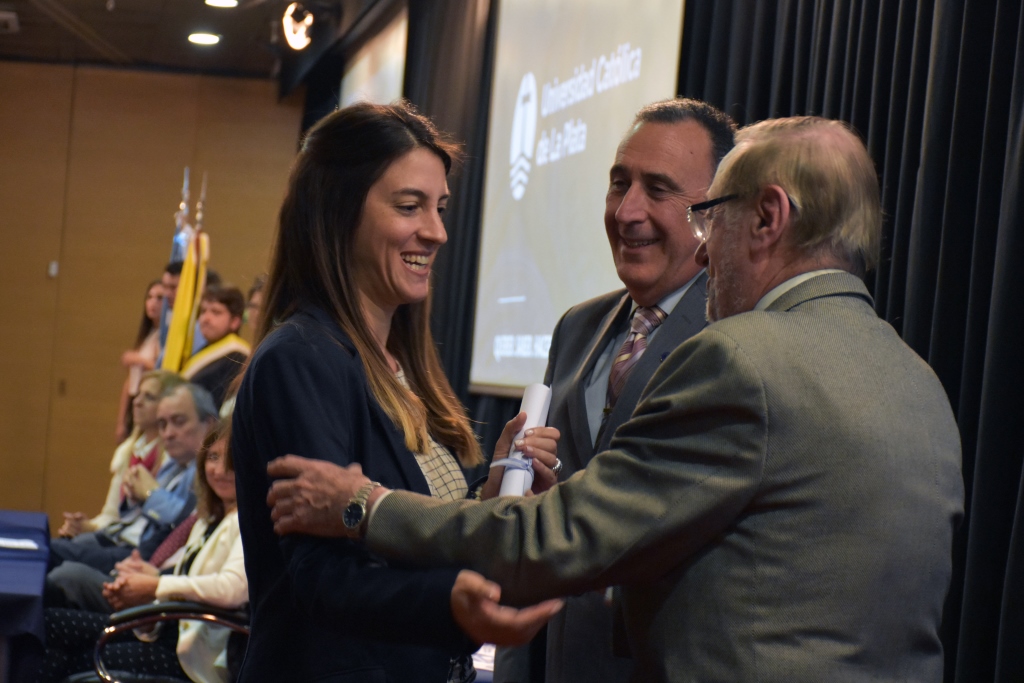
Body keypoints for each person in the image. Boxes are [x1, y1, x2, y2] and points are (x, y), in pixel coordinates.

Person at [267, 116, 965, 682]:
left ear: (767, 217)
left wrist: (364, 505)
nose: (703, 248)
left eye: (707, 215)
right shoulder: (920, 382)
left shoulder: (742, 358)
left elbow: (567, 534)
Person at [230, 100, 561, 683]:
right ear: (337, 213)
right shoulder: (302, 357)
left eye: (439, 208)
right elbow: (322, 578)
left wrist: (490, 493)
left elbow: (405, 535)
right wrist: (452, 604)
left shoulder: (401, 364)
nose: (437, 232)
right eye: (410, 207)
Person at [494, 98, 736, 683]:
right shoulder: (577, 327)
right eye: (619, 184)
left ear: (714, 212)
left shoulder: (736, 342)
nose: (627, 211)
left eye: (658, 189)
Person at [37, 424, 248, 683]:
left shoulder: (247, 522)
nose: (220, 470)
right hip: (164, 631)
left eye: (231, 461)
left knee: (62, 639)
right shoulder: (207, 519)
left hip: (191, 659)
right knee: (52, 629)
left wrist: (154, 586)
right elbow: (185, 583)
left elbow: (231, 589)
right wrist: (147, 603)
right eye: (213, 457)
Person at [47, 383, 218, 612]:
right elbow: (133, 517)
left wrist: (149, 494)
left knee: (60, 566)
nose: (168, 433)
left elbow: (183, 523)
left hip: (146, 562)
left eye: (179, 422)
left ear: (209, 424)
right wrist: (133, 498)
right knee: (62, 553)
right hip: (131, 549)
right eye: (163, 424)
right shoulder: (174, 466)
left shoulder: (209, 474)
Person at [60, 370, 183, 540]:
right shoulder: (126, 452)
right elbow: (111, 516)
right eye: (138, 395)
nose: (137, 402)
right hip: (118, 539)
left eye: (149, 397)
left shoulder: (173, 459)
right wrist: (86, 527)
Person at [181, 284, 250, 408]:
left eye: (216, 312)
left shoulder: (237, 356)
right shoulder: (204, 349)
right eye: (203, 311)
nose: (205, 319)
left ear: (235, 321)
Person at [116, 281, 164, 442]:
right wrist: (121, 421)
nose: (153, 303)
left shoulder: (166, 337)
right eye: (149, 297)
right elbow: (130, 380)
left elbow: (162, 370)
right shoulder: (149, 334)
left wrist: (138, 359)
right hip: (135, 399)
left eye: (159, 298)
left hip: (151, 402)